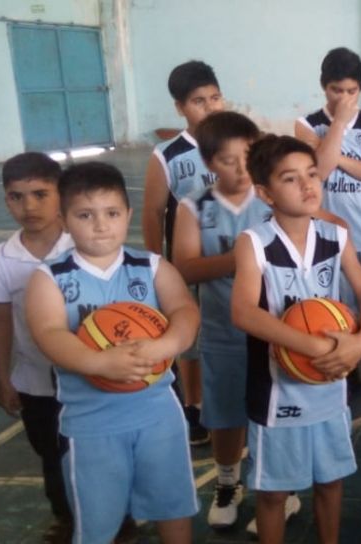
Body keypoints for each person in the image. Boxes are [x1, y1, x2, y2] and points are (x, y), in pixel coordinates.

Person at [25, 162, 200, 544]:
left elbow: (185, 311)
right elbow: (49, 333)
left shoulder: (151, 266)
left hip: (158, 415)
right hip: (91, 422)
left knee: (173, 507)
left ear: (128, 215)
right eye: (85, 215)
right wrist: (100, 362)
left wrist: (165, 345)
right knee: (98, 523)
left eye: (112, 213)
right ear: (64, 220)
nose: (101, 225)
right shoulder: (49, 277)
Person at [231, 134, 361, 544]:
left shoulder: (336, 236)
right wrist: (313, 347)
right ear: (265, 193)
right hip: (277, 394)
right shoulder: (254, 243)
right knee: (274, 493)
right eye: (290, 178)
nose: (307, 185)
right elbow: (243, 312)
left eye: (312, 174)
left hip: (330, 386)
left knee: (331, 482)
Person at [171, 111, 270, 529]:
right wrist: (244, 256)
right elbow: (186, 267)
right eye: (229, 160)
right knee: (226, 415)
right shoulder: (194, 206)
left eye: (248, 157)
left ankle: (278, 491)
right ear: (209, 162)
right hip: (222, 332)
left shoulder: (271, 197)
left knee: (273, 414)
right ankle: (228, 482)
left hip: (274, 331)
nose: (242, 169)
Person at [295, 47, 361, 393]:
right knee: (337, 301)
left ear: (360, 89)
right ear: (323, 87)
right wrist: (339, 125)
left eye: (351, 91)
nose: (343, 98)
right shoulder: (307, 125)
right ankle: (346, 362)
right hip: (327, 232)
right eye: (336, 90)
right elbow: (319, 170)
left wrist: (337, 153)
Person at [0, 152, 74, 543]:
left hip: (89, 376)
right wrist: (3, 379)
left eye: (41, 194)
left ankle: (117, 516)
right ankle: (65, 517)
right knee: (51, 456)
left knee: (95, 452)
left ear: (61, 195)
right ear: (6, 200)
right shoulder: (1, 260)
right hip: (35, 381)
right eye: (17, 197)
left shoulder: (83, 245)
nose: (29, 206)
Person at [142, 60, 225, 446]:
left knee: (232, 329)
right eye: (198, 101)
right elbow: (153, 212)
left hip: (231, 258)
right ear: (180, 107)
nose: (209, 107)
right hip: (187, 263)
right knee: (190, 338)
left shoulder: (237, 143)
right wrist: (155, 265)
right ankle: (193, 405)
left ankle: (233, 395)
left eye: (215, 97)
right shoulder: (168, 154)